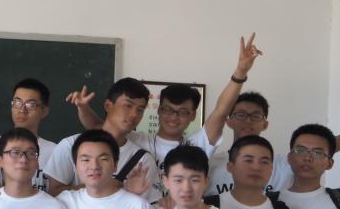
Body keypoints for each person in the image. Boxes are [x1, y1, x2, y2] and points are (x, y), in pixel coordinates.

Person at [75, 33, 263, 194]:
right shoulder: (137, 140)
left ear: (192, 116)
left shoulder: (198, 145)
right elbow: (100, 128)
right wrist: (83, 108)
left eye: (182, 112)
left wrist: (240, 72)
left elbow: (221, 111)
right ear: (159, 111)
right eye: (168, 110)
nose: (174, 117)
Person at [45, 78, 161, 202]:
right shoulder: (70, 145)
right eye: (128, 105)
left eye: (140, 110)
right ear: (108, 106)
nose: (134, 114)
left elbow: (152, 205)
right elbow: (53, 193)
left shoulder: (143, 160)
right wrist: (108, 186)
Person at [0, 78, 56, 192]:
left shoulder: (55, 152)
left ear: (44, 111)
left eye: (31, 104)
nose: (22, 110)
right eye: (17, 102)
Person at [207, 92, 293, 195]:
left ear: (265, 124)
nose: (248, 120)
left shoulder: (284, 166)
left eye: (256, 116)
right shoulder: (211, 164)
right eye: (241, 115)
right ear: (229, 122)